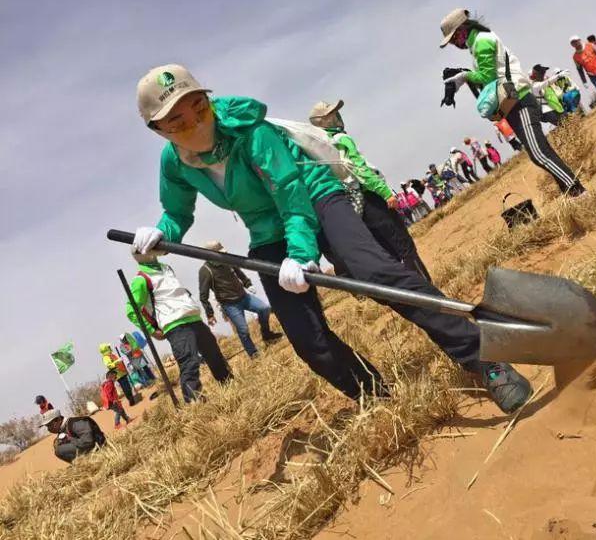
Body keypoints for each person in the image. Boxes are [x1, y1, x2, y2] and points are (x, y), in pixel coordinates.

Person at [131, 64, 531, 413]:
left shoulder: (249, 131)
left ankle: (483, 359)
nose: (196, 122)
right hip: (267, 230)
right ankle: (374, 396)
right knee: (306, 338)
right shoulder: (175, 163)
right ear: (158, 130)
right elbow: (178, 212)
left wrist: (302, 252)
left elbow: (289, 190)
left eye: (199, 107)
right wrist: (162, 232)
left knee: (375, 272)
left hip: (315, 197)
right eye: (178, 121)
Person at [441, 9, 585, 197]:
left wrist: (464, 76)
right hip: (512, 100)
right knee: (539, 152)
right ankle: (571, 192)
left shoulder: (481, 42)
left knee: (539, 153)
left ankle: (577, 190)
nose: (454, 44)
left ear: (461, 30)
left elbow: (487, 77)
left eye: (453, 39)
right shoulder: (478, 41)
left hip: (519, 99)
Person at [309, 100, 432, 281]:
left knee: (386, 252)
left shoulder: (321, 146)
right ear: (325, 120)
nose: (337, 116)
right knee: (404, 246)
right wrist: (385, 192)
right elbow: (360, 169)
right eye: (332, 114)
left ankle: (403, 289)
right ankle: (425, 288)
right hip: (371, 198)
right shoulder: (342, 139)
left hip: (353, 205)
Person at [127, 247, 232, 402]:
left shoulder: (166, 268)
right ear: (142, 253)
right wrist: (151, 330)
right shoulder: (140, 279)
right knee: (189, 363)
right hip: (175, 325)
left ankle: (230, 388)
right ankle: (195, 404)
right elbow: (131, 310)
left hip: (193, 318)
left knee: (214, 354)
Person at [198, 240, 283, 357]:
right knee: (243, 330)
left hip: (244, 297)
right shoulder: (205, 271)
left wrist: (248, 284)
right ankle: (253, 353)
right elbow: (203, 295)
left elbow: (238, 272)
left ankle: (267, 335)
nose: (222, 254)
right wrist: (210, 314)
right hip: (230, 305)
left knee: (264, 309)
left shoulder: (227, 259)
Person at [41, 409, 106, 464]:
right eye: (47, 426)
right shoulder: (63, 428)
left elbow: (88, 442)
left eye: (49, 425)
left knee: (59, 450)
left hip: (99, 448)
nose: (48, 429)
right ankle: (80, 464)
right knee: (58, 446)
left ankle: (84, 463)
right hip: (86, 449)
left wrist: (69, 439)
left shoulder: (76, 423)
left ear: (58, 419)